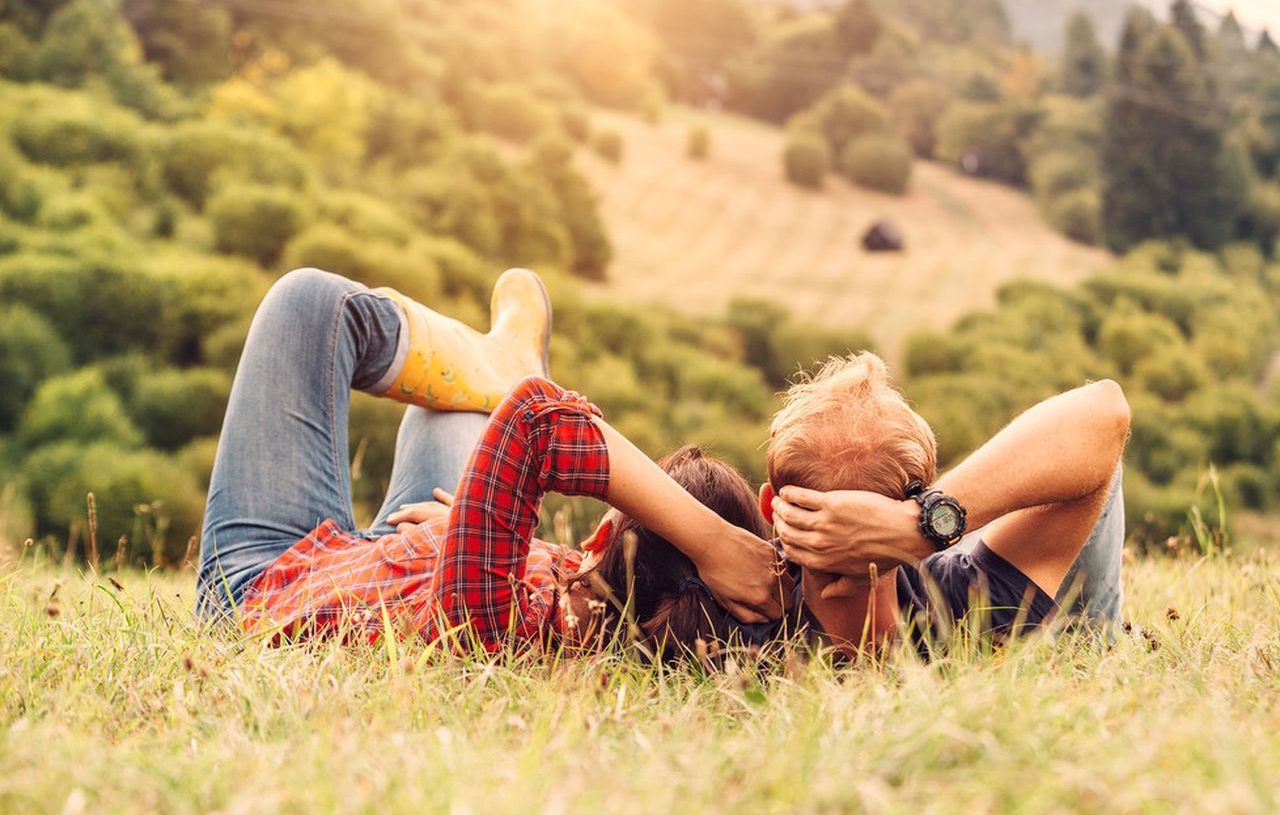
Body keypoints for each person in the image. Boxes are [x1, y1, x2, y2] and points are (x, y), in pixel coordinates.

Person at [196, 268, 788, 657]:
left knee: (311, 306)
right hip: (391, 571)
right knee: (451, 415)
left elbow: (534, 417)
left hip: (266, 591)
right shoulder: (571, 614)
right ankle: (492, 367)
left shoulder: (488, 615)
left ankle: (503, 363)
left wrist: (712, 541)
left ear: (603, 532)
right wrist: (466, 532)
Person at [761, 353, 1130, 656]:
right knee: (1087, 474)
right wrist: (926, 524)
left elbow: (1103, 411)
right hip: (964, 569)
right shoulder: (969, 606)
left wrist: (913, 527)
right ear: (929, 494)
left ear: (768, 508)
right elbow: (1106, 408)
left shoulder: (739, 618)